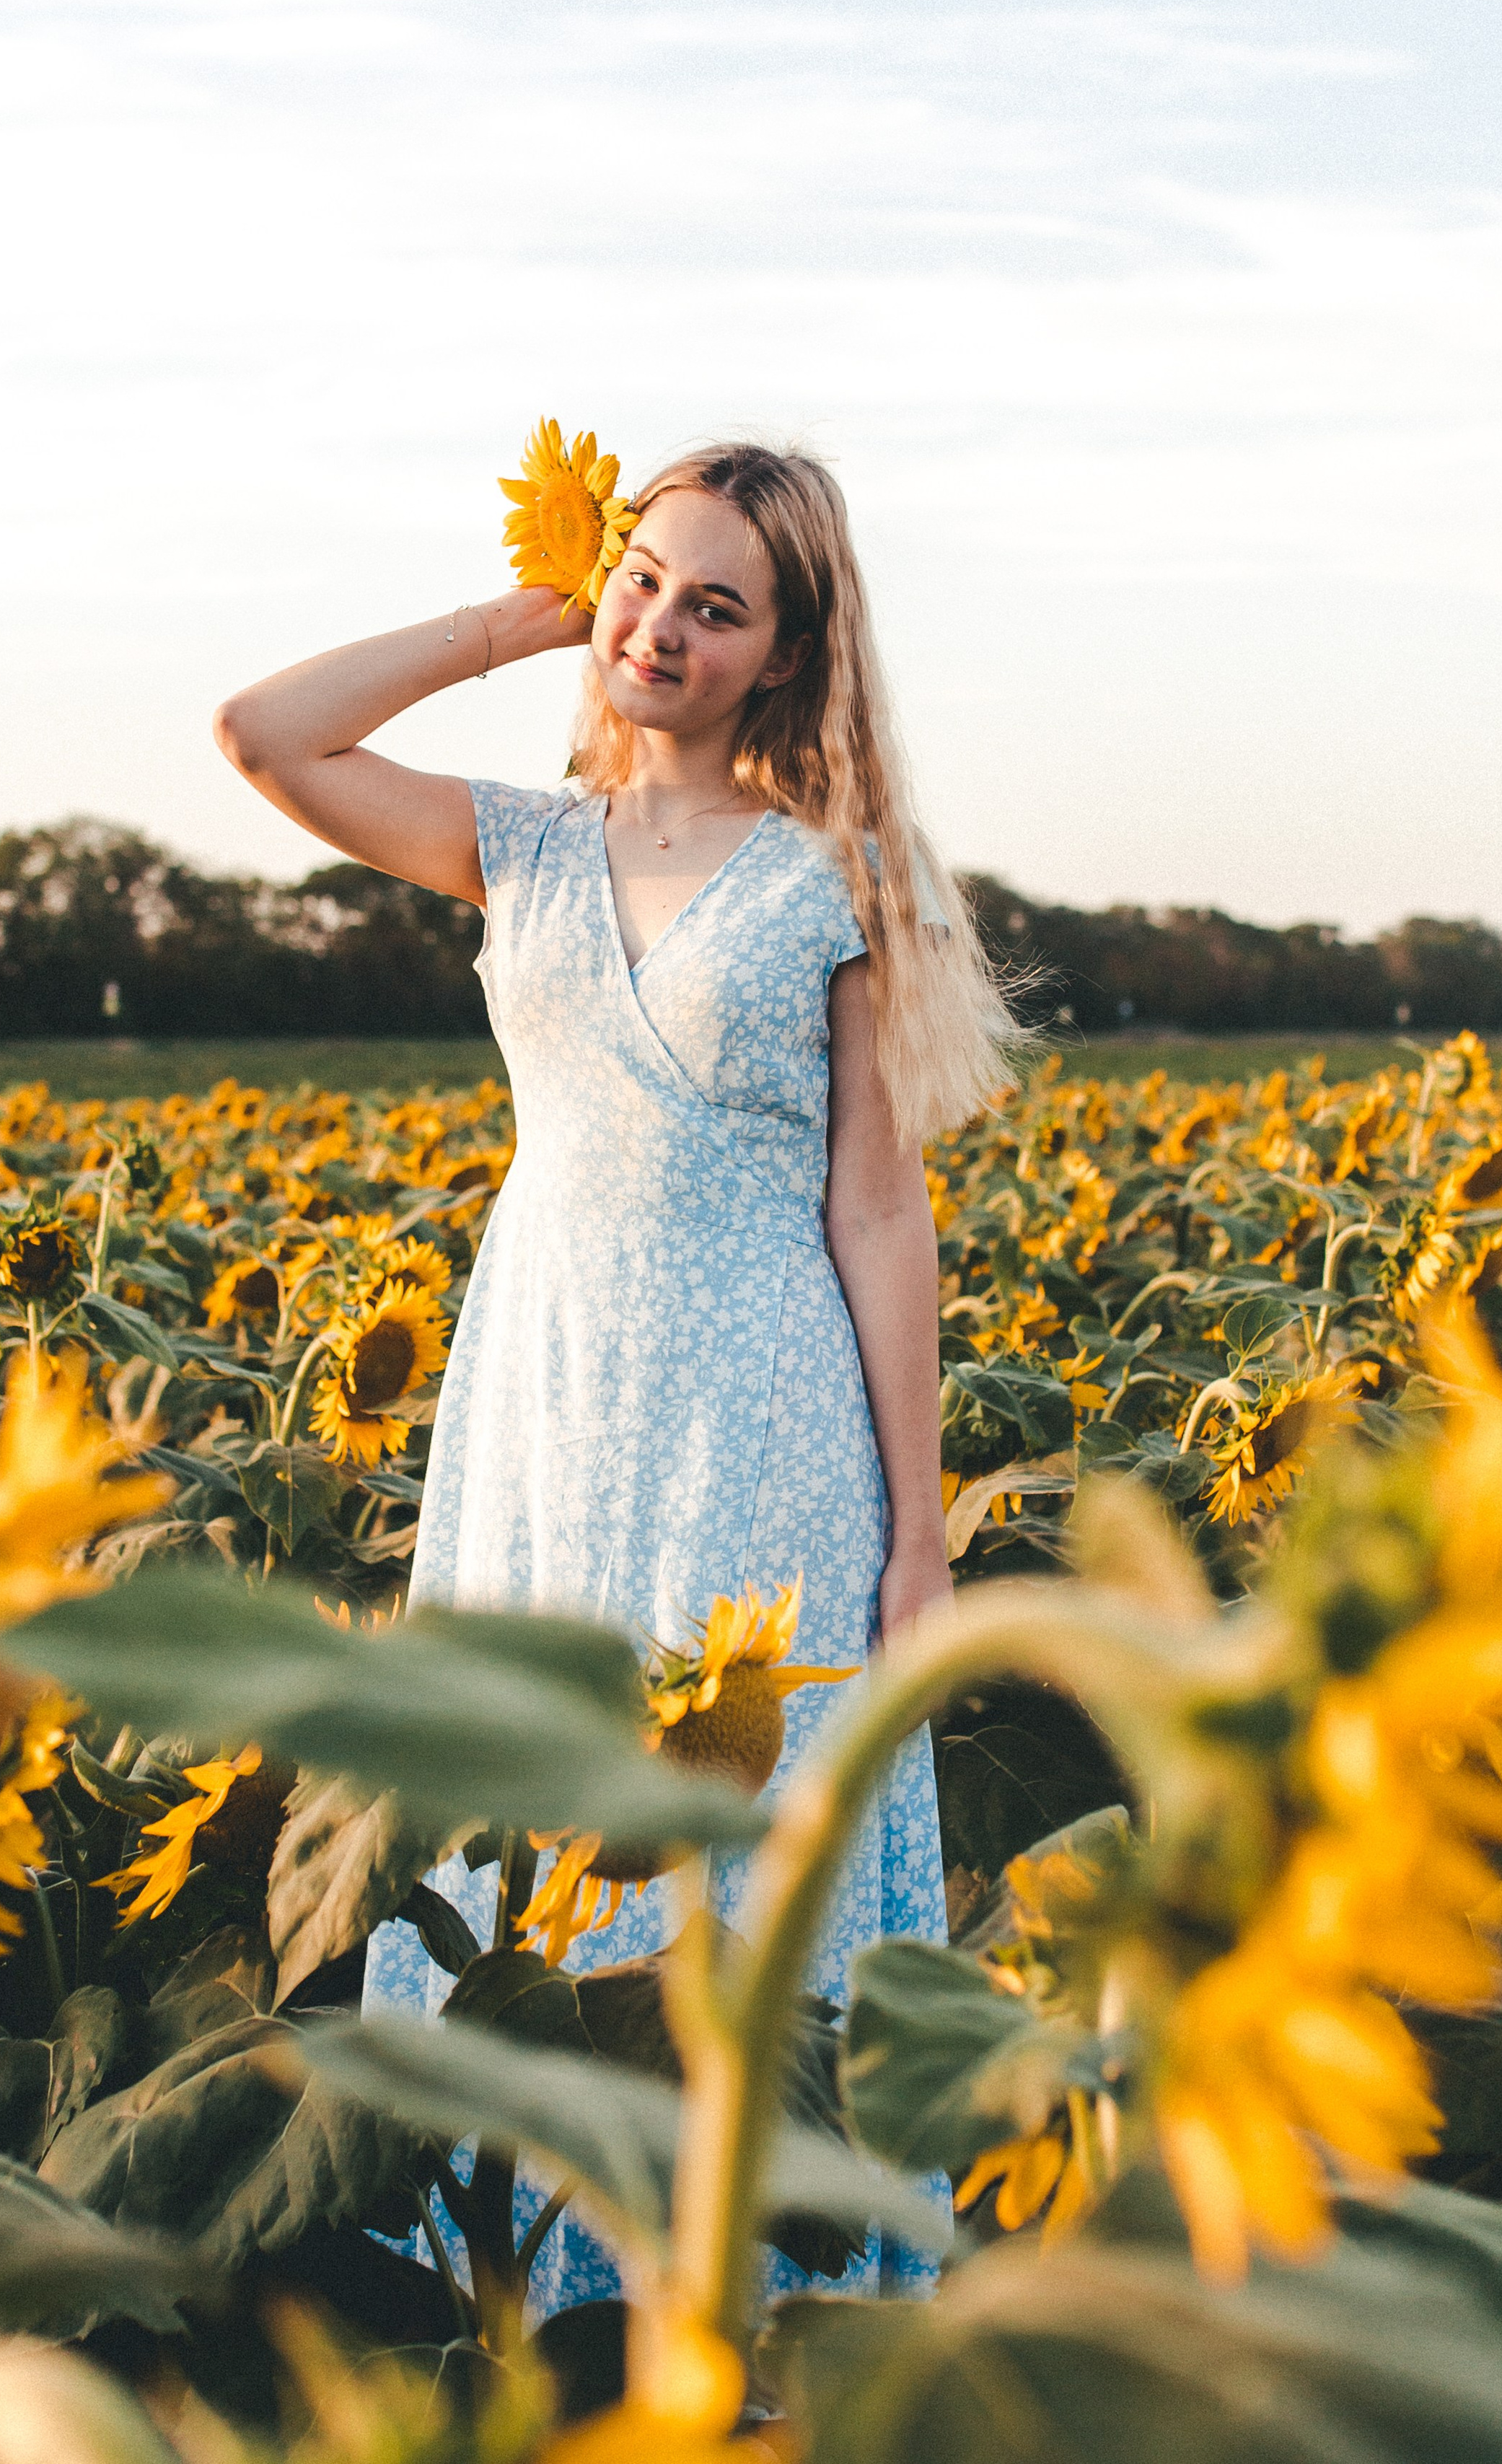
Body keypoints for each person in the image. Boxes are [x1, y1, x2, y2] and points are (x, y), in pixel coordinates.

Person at [214, 439, 1022, 2309]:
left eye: (715, 604)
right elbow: (264, 732)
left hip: (767, 1411)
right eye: (647, 579)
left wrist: (920, 1532)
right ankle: (530, 2299)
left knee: (734, 1816)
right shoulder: (524, 840)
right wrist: (522, 618)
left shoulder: (844, 871)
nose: (660, 625)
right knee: (524, 1828)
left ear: (785, 652)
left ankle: (739, 2316)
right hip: (542, 1395)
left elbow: (880, 1208)